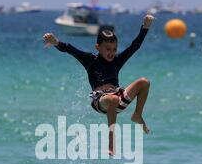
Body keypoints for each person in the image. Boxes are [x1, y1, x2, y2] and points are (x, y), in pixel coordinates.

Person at [43, 14, 154, 155]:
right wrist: (55, 42)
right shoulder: (90, 60)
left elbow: (135, 46)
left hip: (119, 98)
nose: (111, 53)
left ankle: (137, 115)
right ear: (98, 47)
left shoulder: (117, 61)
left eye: (114, 49)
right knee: (112, 99)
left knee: (144, 82)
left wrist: (145, 27)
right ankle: (111, 144)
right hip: (101, 102)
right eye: (108, 49)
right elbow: (70, 49)